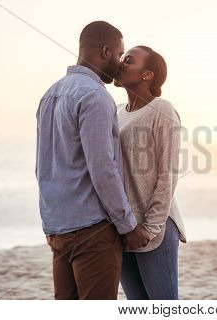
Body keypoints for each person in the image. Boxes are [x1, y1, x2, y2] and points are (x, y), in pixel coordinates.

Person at [35, 21, 149, 300]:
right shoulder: (95, 96)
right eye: (120, 54)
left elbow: (43, 167)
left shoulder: (50, 94)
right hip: (92, 232)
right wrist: (127, 226)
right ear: (106, 51)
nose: (121, 62)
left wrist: (51, 223)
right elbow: (103, 170)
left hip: (57, 229)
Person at [113, 46, 187, 299]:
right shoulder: (117, 111)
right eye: (122, 59)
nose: (121, 63)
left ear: (147, 75)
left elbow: (168, 174)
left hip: (154, 227)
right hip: (124, 228)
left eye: (129, 60)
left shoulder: (162, 110)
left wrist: (150, 228)